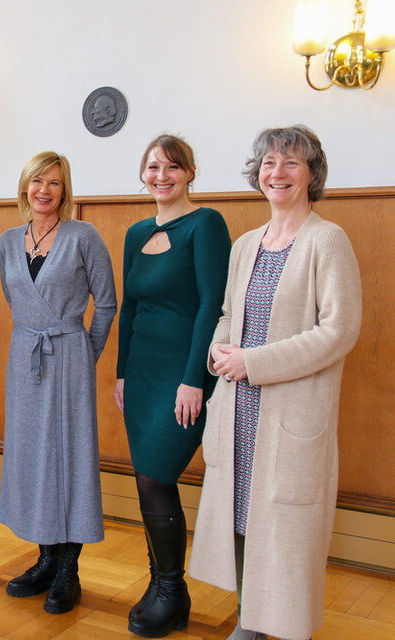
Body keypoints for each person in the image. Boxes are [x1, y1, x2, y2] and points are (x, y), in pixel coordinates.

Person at [189, 126, 362, 640]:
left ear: (312, 174)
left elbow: (339, 330)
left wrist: (254, 362)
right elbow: (225, 315)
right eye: (268, 163)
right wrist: (221, 350)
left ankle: (287, 628)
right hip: (240, 410)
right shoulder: (246, 244)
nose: (277, 172)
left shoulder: (327, 240)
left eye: (291, 163)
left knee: (289, 532)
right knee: (242, 519)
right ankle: (251, 619)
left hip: (290, 414)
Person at [115, 134, 231, 637]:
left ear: (189, 173)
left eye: (170, 167)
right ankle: (164, 586)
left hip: (182, 375)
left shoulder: (205, 225)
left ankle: (171, 591)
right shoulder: (136, 231)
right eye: (152, 167)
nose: (160, 176)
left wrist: (194, 380)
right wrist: (121, 372)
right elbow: (130, 307)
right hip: (140, 375)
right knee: (146, 476)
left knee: (158, 475)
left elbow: (212, 305)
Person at [0, 152, 117, 614]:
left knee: (68, 457)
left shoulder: (84, 236)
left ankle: (69, 568)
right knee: (31, 456)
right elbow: (16, 300)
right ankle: (45, 558)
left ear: (66, 190)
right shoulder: (8, 240)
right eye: (37, 181)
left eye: (54, 182)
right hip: (25, 356)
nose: (44, 189)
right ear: (25, 186)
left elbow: (105, 305)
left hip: (68, 356)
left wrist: (85, 354)